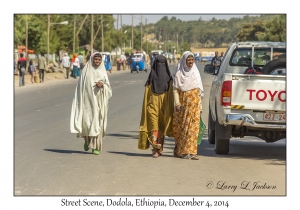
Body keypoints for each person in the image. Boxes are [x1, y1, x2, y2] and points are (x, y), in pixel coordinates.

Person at [70, 52, 112, 155]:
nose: (97, 61)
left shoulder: (103, 71)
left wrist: (102, 85)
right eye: (95, 59)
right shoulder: (85, 71)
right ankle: (86, 141)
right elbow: (80, 88)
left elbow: (109, 88)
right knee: (88, 123)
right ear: (92, 60)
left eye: (99, 60)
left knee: (97, 123)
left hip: (99, 102)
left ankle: (95, 147)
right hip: (87, 102)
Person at [138, 55, 174, 158]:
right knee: (154, 127)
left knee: (161, 129)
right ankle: (155, 147)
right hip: (152, 107)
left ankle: (159, 149)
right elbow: (146, 96)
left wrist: (169, 109)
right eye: (159, 63)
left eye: (162, 64)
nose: (160, 66)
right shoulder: (151, 79)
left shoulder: (169, 80)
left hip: (164, 108)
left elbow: (171, 96)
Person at [172, 51, 204, 160]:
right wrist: (177, 103)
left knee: (194, 129)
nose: (190, 62)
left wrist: (200, 106)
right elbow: (175, 91)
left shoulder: (195, 73)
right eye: (188, 60)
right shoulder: (179, 74)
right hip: (183, 107)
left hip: (194, 106)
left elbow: (199, 92)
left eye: (192, 60)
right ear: (184, 61)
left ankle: (192, 152)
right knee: (183, 128)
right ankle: (181, 151)